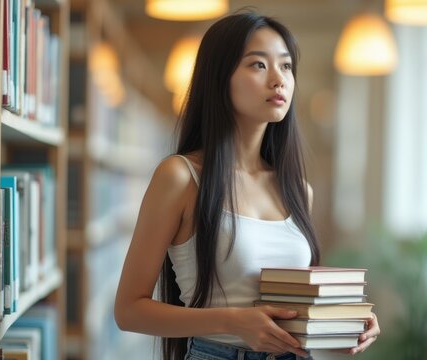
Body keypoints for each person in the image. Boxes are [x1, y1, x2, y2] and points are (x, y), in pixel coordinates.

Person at [114, 11, 380, 360]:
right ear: (220, 78)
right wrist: (234, 321)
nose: (278, 79)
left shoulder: (299, 190)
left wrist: (348, 319)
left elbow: (299, 303)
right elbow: (129, 310)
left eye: (286, 67)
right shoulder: (179, 176)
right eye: (258, 65)